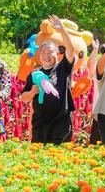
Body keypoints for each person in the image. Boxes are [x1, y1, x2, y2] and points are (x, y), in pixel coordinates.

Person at [21, 15, 76, 144]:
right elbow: (24, 97)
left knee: (59, 157)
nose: (45, 56)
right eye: (42, 53)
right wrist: (32, 92)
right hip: (40, 124)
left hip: (61, 123)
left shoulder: (63, 68)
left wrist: (62, 29)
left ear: (57, 54)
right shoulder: (34, 74)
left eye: (49, 52)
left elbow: (71, 49)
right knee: (40, 159)